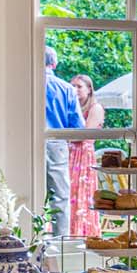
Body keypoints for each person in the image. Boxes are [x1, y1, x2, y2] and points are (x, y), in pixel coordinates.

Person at [43, 46, 81, 235]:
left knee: (29, 190)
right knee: (59, 196)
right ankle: (61, 242)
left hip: (26, 142)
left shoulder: (25, 83)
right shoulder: (66, 88)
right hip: (57, 143)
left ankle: (33, 239)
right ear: (54, 64)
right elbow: (78, 127)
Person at [69, 74, 103, 237]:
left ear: (89, 89)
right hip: (70, 154)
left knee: (82, 193)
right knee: (68, 194)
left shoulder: (95, 108)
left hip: (83, 155)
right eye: (73, 86)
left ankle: (84, 232)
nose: (75, 90)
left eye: (79, 86)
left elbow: (84, 134)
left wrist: (65, 135)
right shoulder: (72, 107)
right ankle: (68, 232)